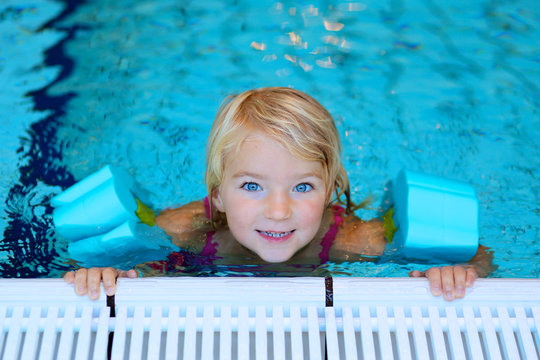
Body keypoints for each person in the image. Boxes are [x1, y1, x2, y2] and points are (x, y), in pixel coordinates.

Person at [64, 87, 495, 301]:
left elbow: (480, 255)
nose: (278, 210)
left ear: (329, 193)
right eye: (251, 186)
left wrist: (455, 271)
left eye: (303, 186)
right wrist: (103, 274)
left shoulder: (349, 239)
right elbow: (115, 261)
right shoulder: (190, 229)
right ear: (217, 195)